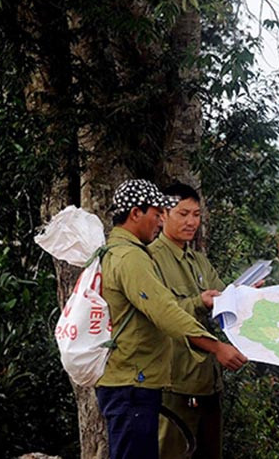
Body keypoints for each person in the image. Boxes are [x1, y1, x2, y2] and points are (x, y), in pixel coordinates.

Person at [96, 179, 248, 459]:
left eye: (196, 214)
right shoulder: (133, 258)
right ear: (136, 214)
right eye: (157, 214)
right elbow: (166, 312)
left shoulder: (117, 252)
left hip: (141, 381)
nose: (158, 221)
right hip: (136, 381)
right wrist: (217, 347)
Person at [148, 182, 225, 459]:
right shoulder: (151, 259)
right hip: (174, 382)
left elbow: (223, 301)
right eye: (183, 214)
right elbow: (160, 314)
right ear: (163, 214)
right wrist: (198, 302)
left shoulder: (199, 260)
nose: (191, 221)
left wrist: (244, 296)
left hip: (208, 380)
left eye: (196, 214)